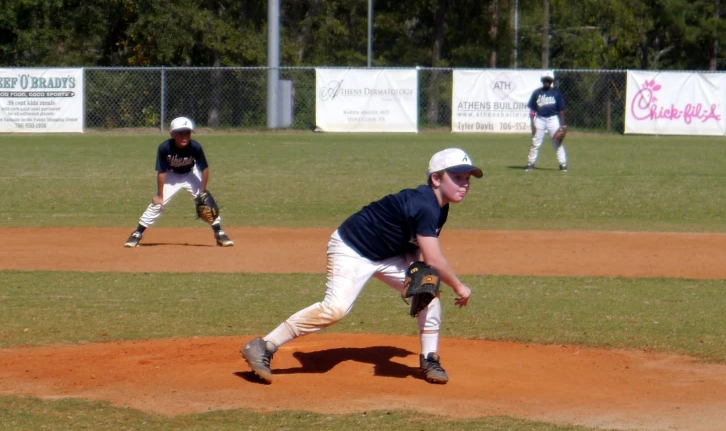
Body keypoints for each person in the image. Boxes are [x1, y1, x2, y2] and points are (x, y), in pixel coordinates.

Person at [241, 147, 483, 385]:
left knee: (427, 289)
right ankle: (263, 345)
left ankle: (429, 359)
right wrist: (460, 287)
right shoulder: (425, 205)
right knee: (335, 309)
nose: (464, 184)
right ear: (436, 179)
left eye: (467, 178)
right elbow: (435, 260)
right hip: (352, 248)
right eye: (457, 177)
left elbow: (414, 245)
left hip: (386, 255)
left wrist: (414, 269)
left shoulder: (440, 207)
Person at [124, 116, 234, 248]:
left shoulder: (195, 147)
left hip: (191, 174)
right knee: (158, 204)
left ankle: (219, 233)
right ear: (172, 134)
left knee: (207, 204)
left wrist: (202, 190)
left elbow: (204, 169)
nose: (184, 136)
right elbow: (162, 172)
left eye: (187, 132)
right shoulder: (164, 148)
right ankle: (137, 233)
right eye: (180, 133)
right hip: (171, 176)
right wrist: (160, 195)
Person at [526, 70, 568, 172]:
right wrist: (532, 123)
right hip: (540, 119)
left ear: (551, 81)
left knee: (557, 141)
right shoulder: (537, 93)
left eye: (549, 80)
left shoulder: (556, 93)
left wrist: (562, 124)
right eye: (545, 80)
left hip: (553, 119)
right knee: (535, 142)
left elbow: (561, 110)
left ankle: (563, 164)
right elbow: (532, 110)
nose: (547, 82)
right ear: (542, 80)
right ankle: (530, 163)